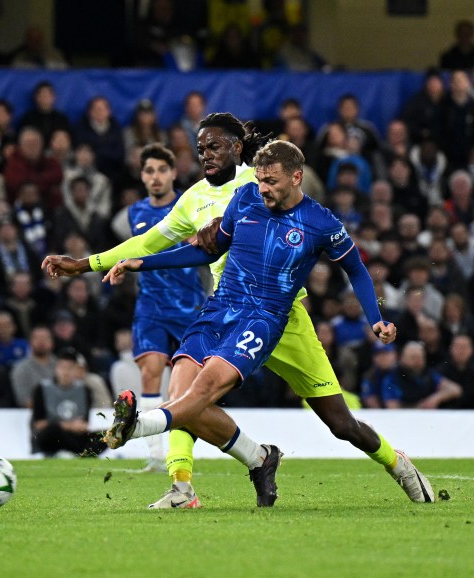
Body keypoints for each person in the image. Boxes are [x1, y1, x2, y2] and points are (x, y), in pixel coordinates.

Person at [42, 114, 433, 508]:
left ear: (237, 148)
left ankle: (396, 463)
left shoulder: (263, 184)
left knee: (340, 423)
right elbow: (149, 243)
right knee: (186, 387)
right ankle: (186, 484)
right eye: (200, 149)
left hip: (281, 317)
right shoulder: (198, 198)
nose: (206, 156)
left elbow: (353, 266)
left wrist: (376, 317)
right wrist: (88, 263)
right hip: (225, 306)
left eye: (214, 147)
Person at [125, 143, 206, 472]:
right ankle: (155, 455)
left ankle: (179, 452)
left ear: (173, 173)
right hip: (151, 306)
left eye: (161, 170)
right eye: (149, 171)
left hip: (189, 305)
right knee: (150, 371)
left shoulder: (191, 206)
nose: (155, 177)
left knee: (183, 386)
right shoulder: (136, 212)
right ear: (142, 177)